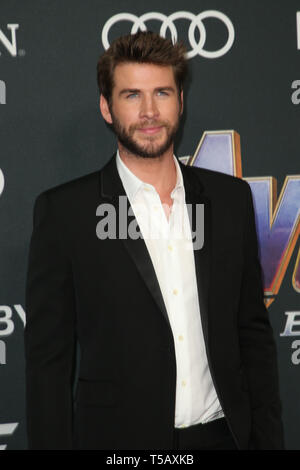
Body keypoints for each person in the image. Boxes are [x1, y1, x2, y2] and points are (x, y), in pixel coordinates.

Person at [24, 31, 284, 450]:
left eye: (161, 93)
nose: (149, 112)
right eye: (131, 95)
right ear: (107, 108)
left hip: (224, 437)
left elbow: (251, 334)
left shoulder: (230, 200)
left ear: (180, 100)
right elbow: (47, 367)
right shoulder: (65, 214)